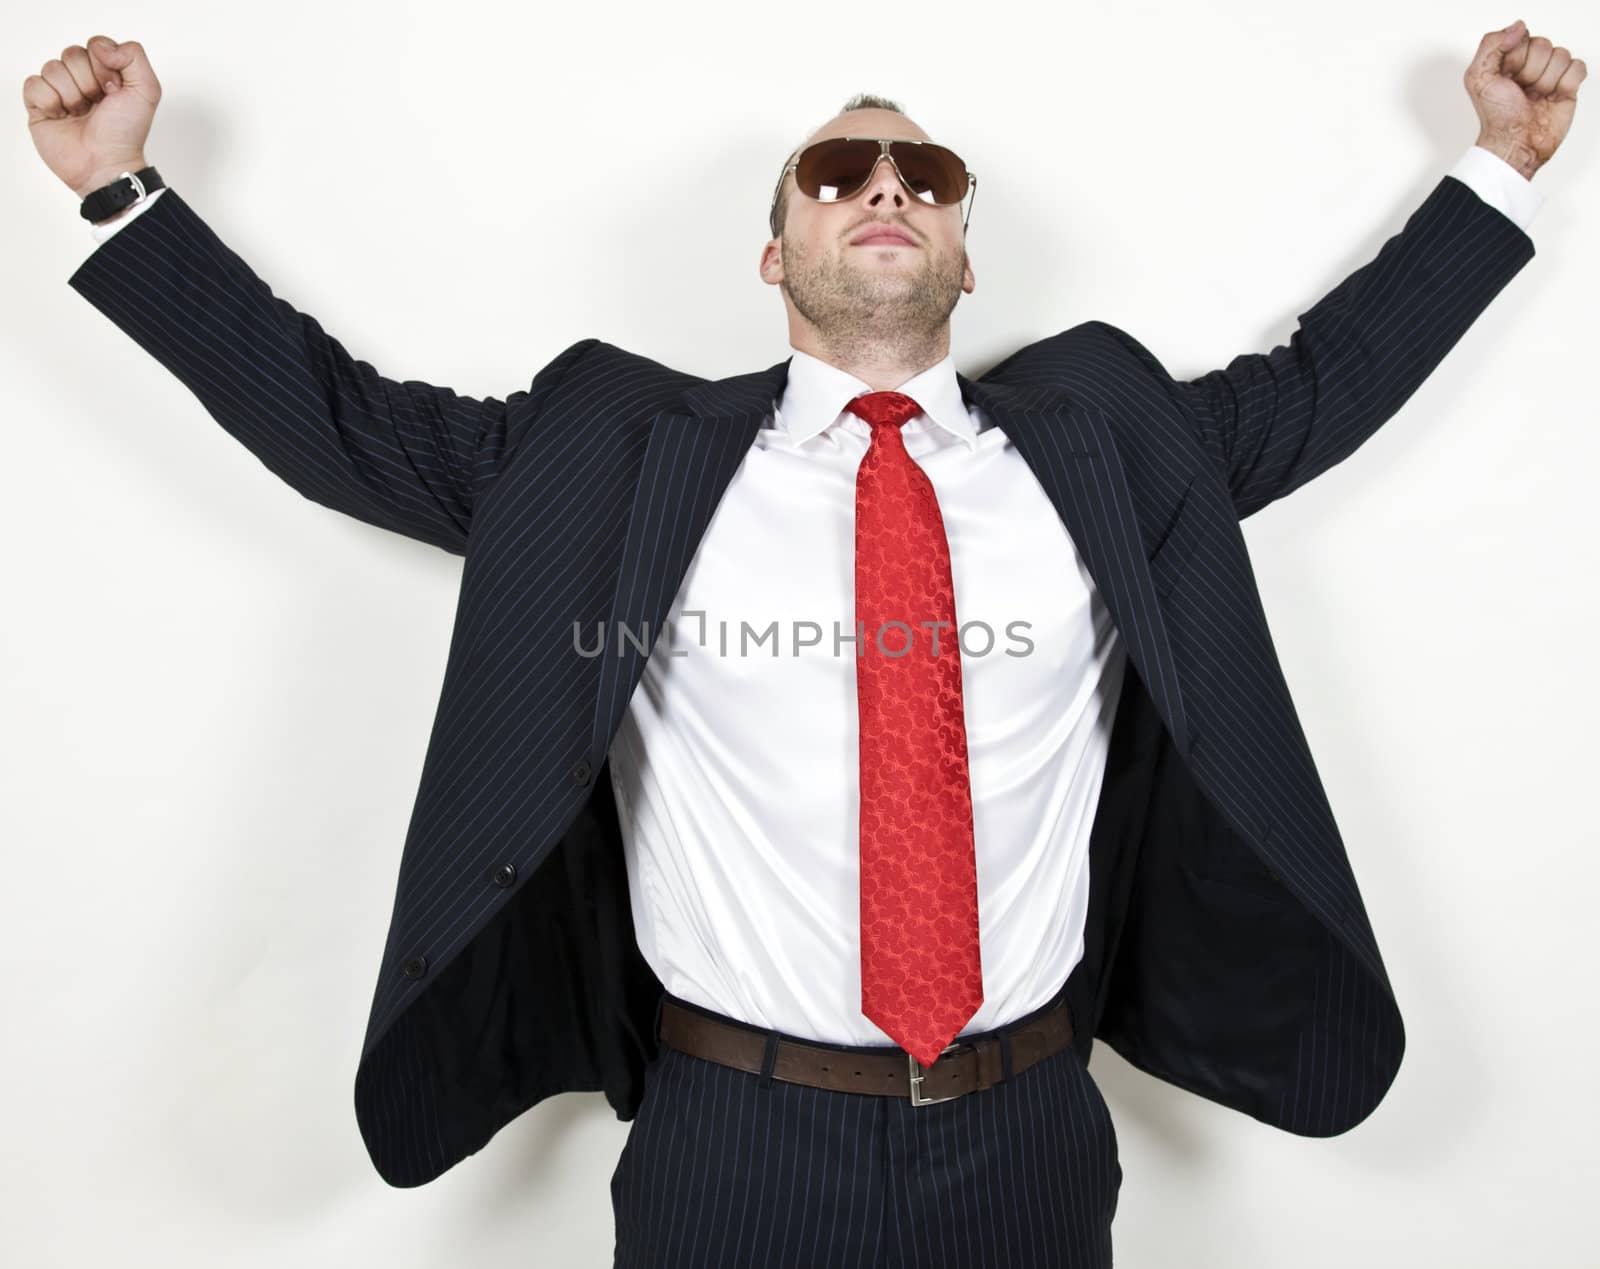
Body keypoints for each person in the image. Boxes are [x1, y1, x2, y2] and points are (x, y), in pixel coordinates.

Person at [26, 23, 1585, 1268]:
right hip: (734, 1142)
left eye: (925, 171)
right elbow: (338, 421)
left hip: (1031, 1129)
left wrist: (1504, 169)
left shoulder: (1109, 443)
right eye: (837, 171)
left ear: (968, 253)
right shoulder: (614, 454)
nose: (884, 187)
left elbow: (1325, 383)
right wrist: (119, 191)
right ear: (777, 254)